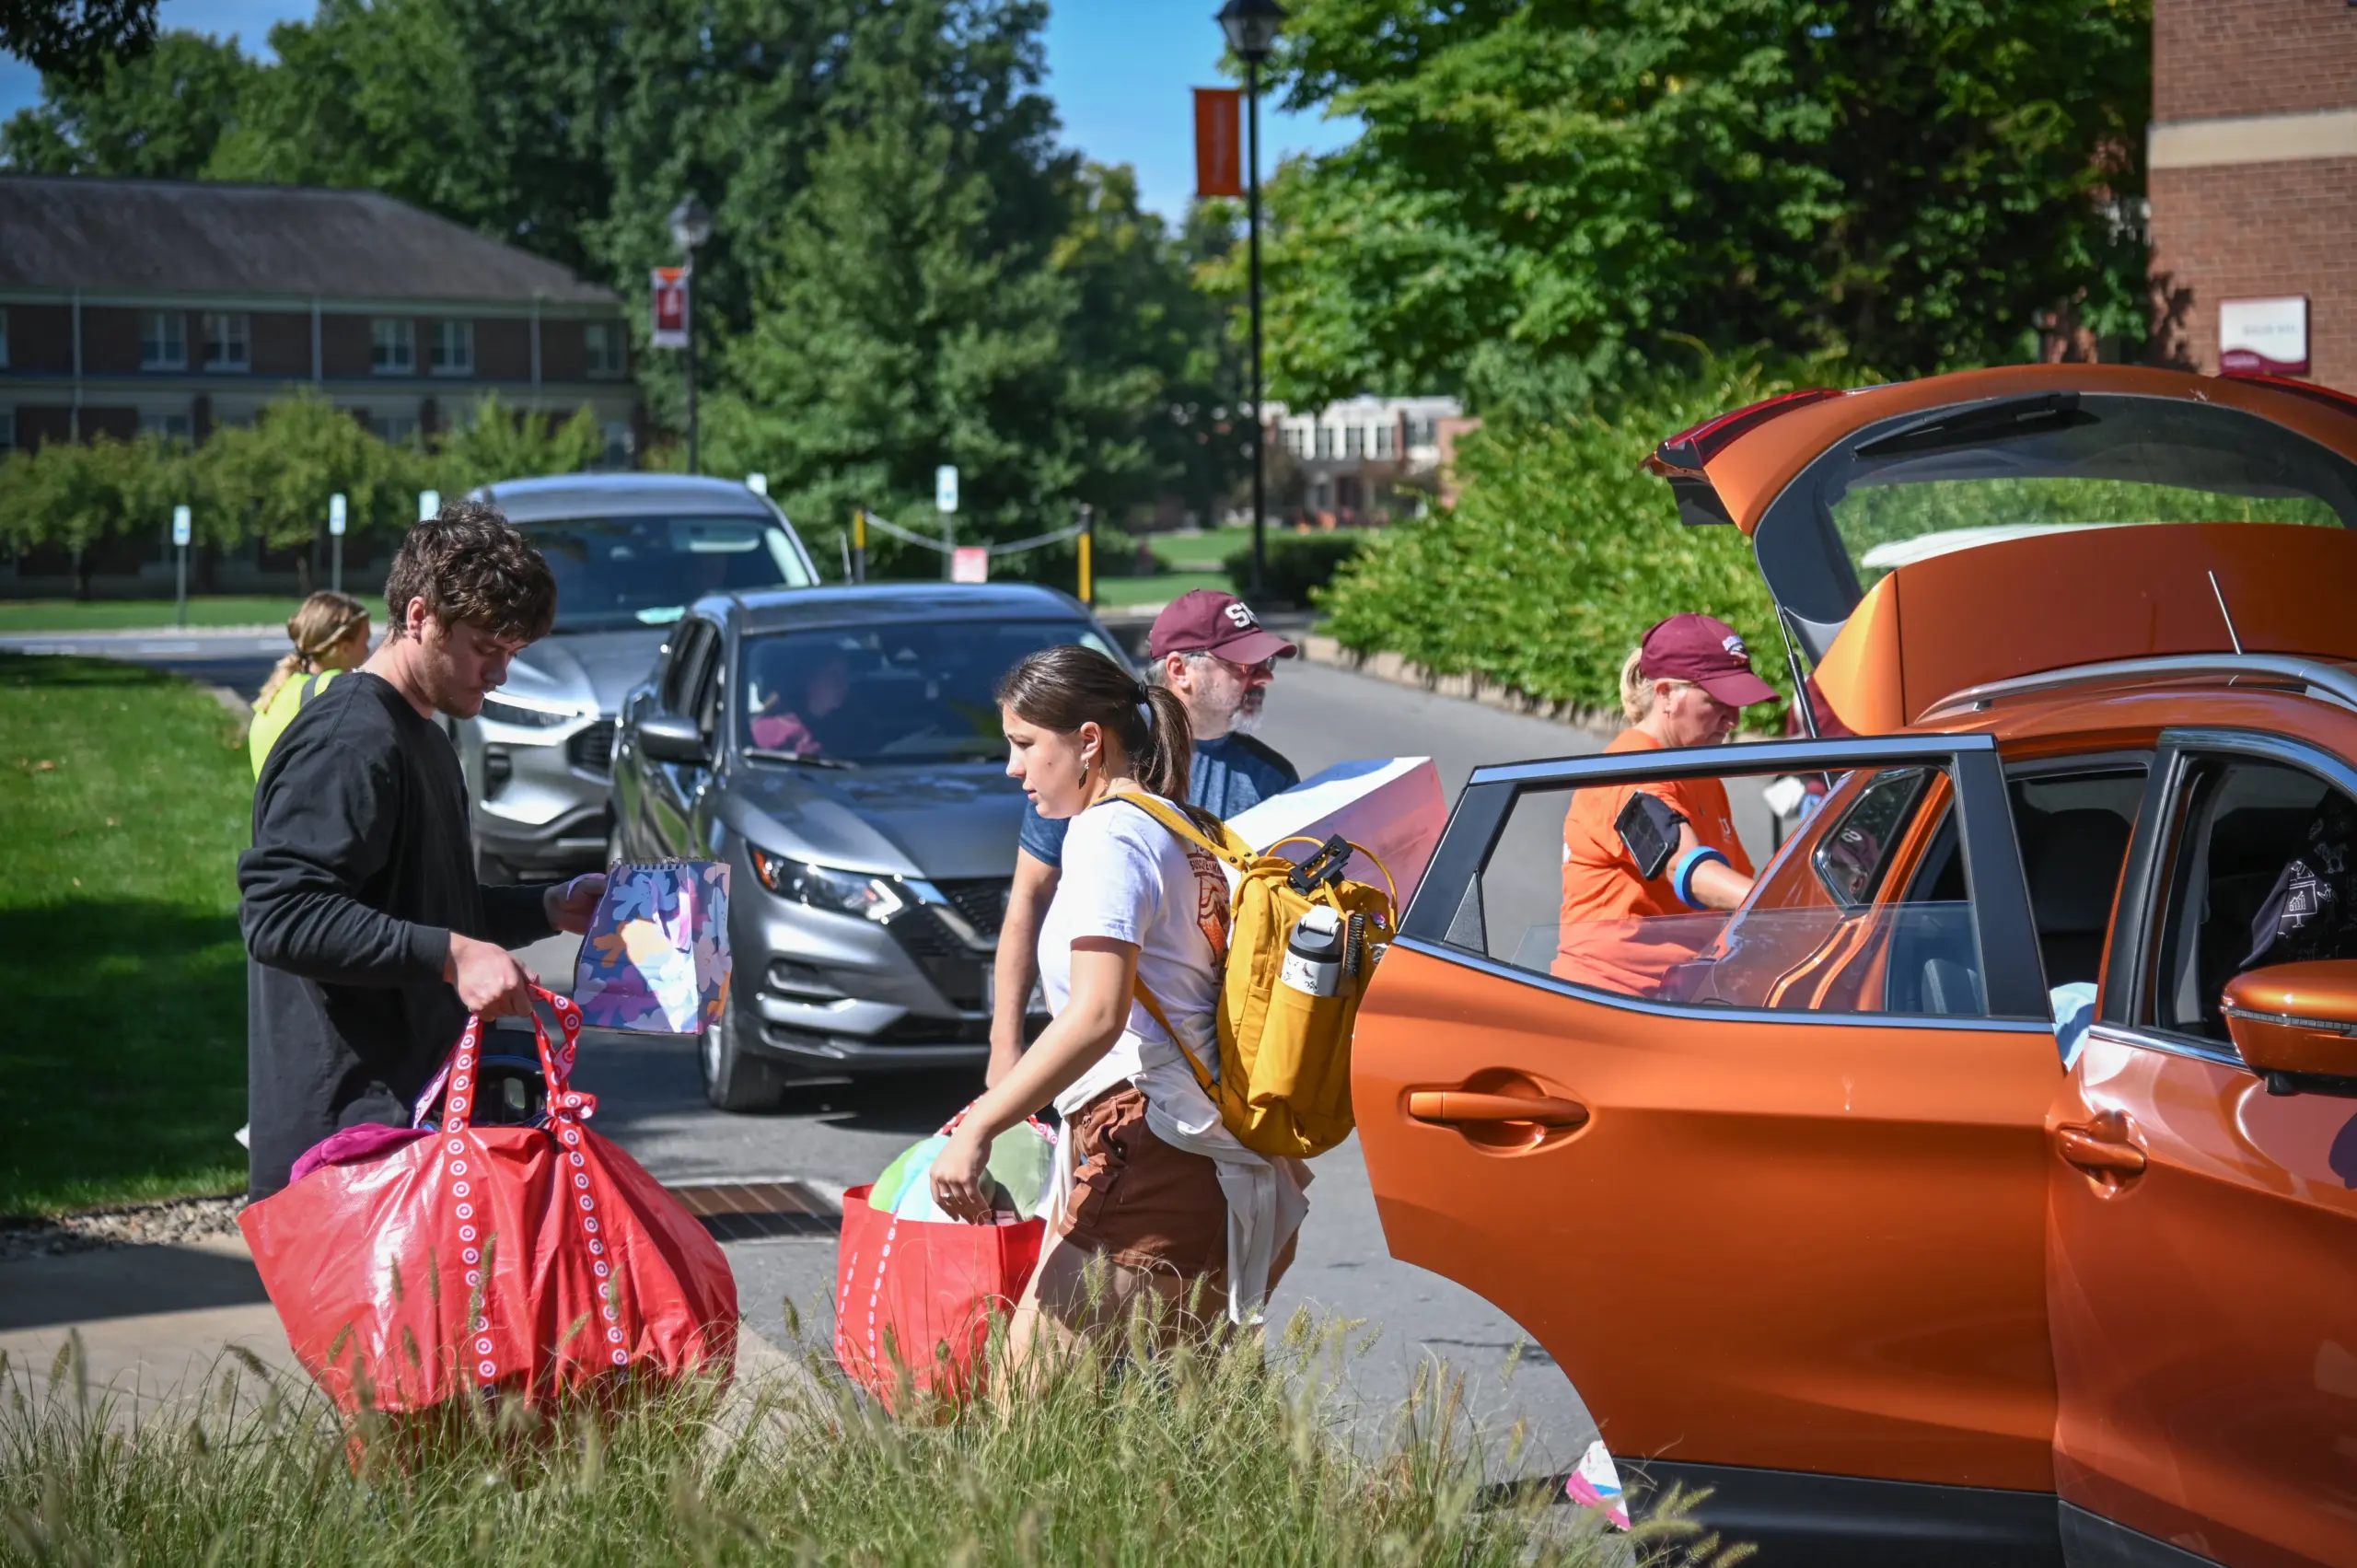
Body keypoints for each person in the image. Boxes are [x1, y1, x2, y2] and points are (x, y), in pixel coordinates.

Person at [931, 645, 1305, 1357]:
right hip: (1200, 1148)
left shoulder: (1110, 835)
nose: (1013, 768)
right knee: (1164, 1424)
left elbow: (1099, 1014)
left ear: (1089, 741)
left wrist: (980, 1125)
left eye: (1024, 744)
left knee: (1029, 1417)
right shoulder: (1174, 821)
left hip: (1149, 1143)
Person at [238, 503, 606, 1199]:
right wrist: (454, 955)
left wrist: (548, 906)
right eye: (486, 648)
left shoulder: (425, 736)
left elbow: (428, 907)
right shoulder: (350, 739)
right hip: (345, 1151)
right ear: (418, 616)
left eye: (513, 653)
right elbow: (279, 915)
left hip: (409, 1131)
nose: (499, 674)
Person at [989, 590, 1298, 1086]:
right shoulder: (1099, 766)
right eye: (1243, 664)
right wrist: (1005, 1045)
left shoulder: (1271, 778)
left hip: (1224, 1068)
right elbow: (1030, 896)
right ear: (1180, 669)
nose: (1263, 677)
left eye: (1263, 663)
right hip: (1127, 1081)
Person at [1552, 614, 1782, 997]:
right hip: (1614, 1005)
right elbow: (1693, 872)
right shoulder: (1629, 772)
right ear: (1666, 694)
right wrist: (1795, 918)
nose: (1735, 718)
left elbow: (1738, 889)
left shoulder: (1698, 772)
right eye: (1718, 701)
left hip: (1682, 997)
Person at [247, 591, 371, 777]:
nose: (368, 653)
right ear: (344, 648)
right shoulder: (333, 688)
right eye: (365, 643)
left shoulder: (275, 695)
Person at [748, 643, 853, 756]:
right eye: (833, 675)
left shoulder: (852, 725)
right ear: (808, 679)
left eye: (845, 675)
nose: (842, 683)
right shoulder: (769, 732)